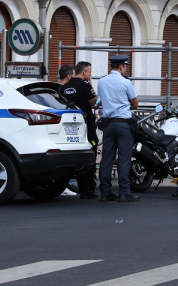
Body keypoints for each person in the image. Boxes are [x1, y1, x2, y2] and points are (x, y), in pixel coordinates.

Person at [96, 55, 139, 202]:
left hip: (108, 124)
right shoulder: (126, 82)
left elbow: (99, 101)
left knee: (106, 159)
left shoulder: (101, 82)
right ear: (121, 67)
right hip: (123, 124)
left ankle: (105, 192)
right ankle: (124, 192)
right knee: (124, 159)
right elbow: (135, 103)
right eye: (125, 66)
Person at [59, 61, 99, 199]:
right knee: (90, 154)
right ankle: (88, 189)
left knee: (73, 156)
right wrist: (91, 87)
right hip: (86, 124)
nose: (90, 74)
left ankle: (70, 186)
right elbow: (94, 102)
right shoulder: (85, 85)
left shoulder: (65, 87)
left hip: (68, 125)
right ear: (84, 72)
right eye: (90, 72)